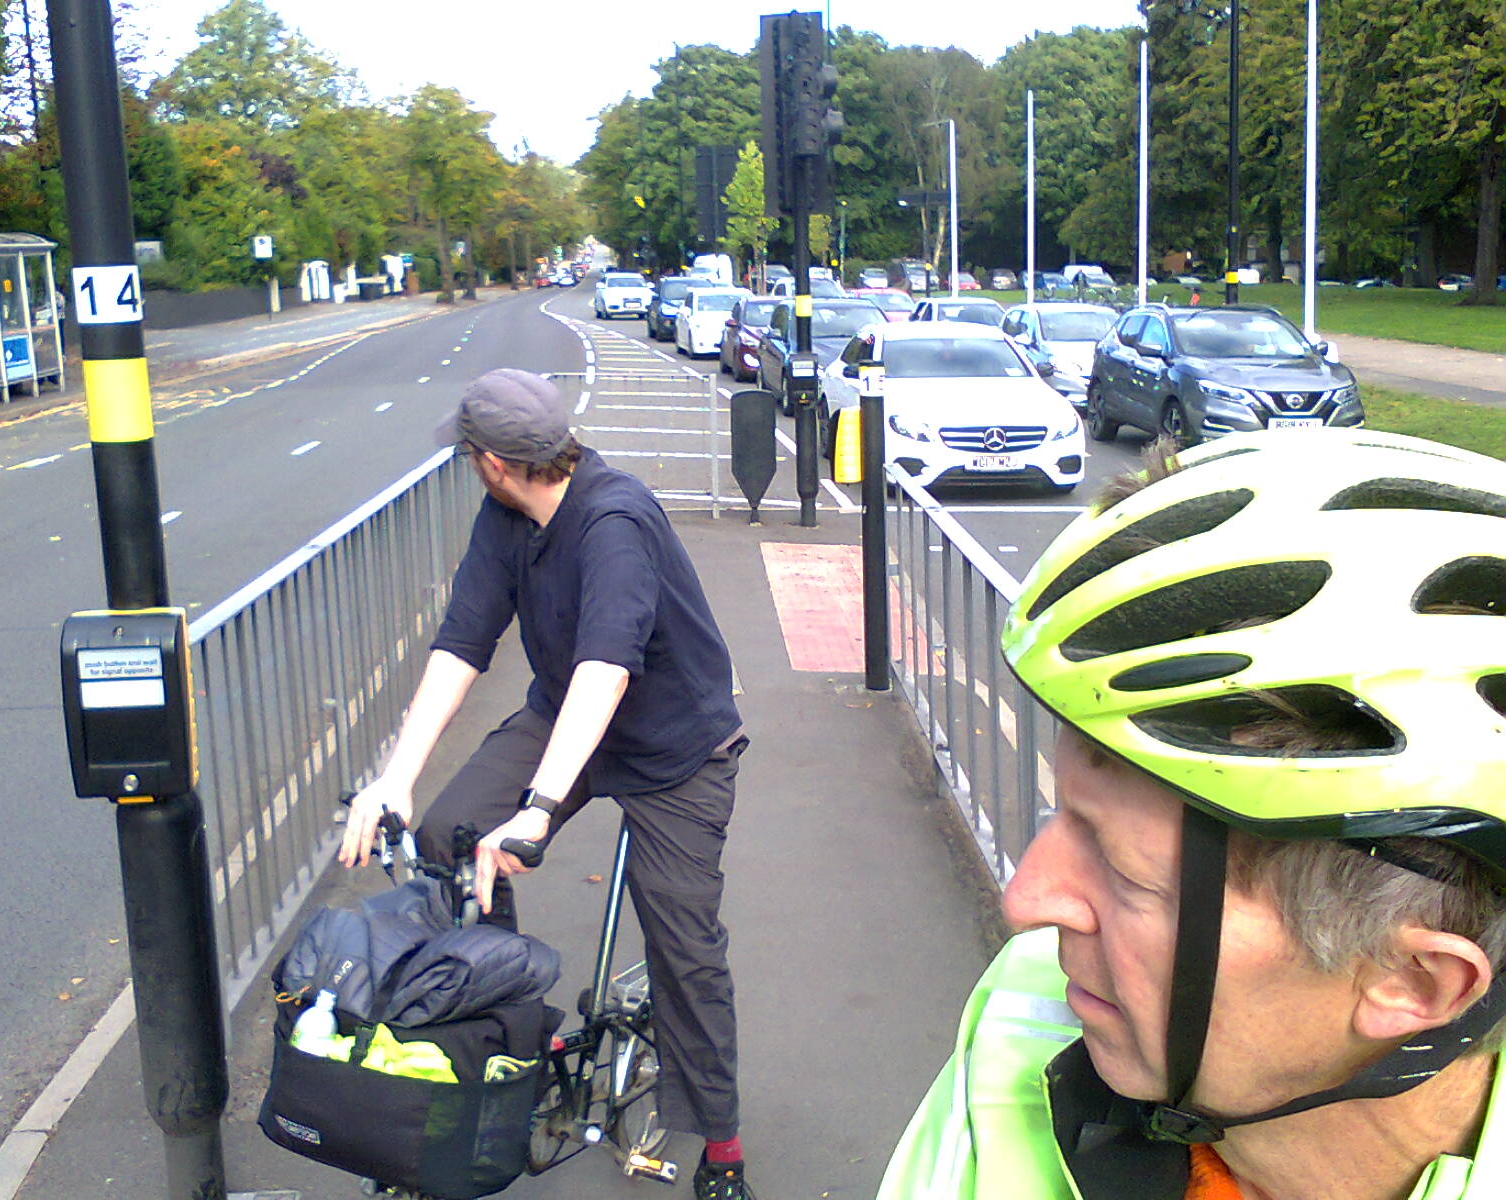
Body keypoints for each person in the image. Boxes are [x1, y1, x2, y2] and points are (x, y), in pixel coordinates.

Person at [878, 429, 1506, 1200]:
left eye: (1126, 872)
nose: (1025, 904)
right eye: (1062, 811)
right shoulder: (1027, 1012)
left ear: (1412, 980)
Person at [339, 368, 756, 1200]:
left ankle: (723, 1151)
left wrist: (536, 812)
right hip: (565, 714)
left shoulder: (614, 519)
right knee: (449, 837)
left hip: (676, 746)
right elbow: (463, 643)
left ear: (492, 459)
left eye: (467, 455)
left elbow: (608, 668)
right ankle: (508, 1037)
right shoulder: (506, 518)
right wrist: (394, 779)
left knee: (683, 948)